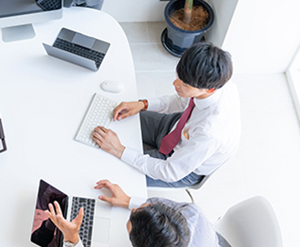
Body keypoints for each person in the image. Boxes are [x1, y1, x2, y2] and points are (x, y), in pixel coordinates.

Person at [93, 42, 241, 187]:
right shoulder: (214, 80)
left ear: (209, 90)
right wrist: (143, 104)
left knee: (112, 166)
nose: (175, 84)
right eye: (179, 77)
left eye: (184, 84)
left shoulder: (211, 133)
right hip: (176, 126)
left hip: (179, 165)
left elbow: (170, 171)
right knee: (119, 118)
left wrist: (119, 150)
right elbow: (181, 102)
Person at [47, 179, 238, 247]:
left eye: (132, 215)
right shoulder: (193, 212)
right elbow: (155, 203)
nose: (136, 208)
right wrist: (128, 201)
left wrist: (72, 238)